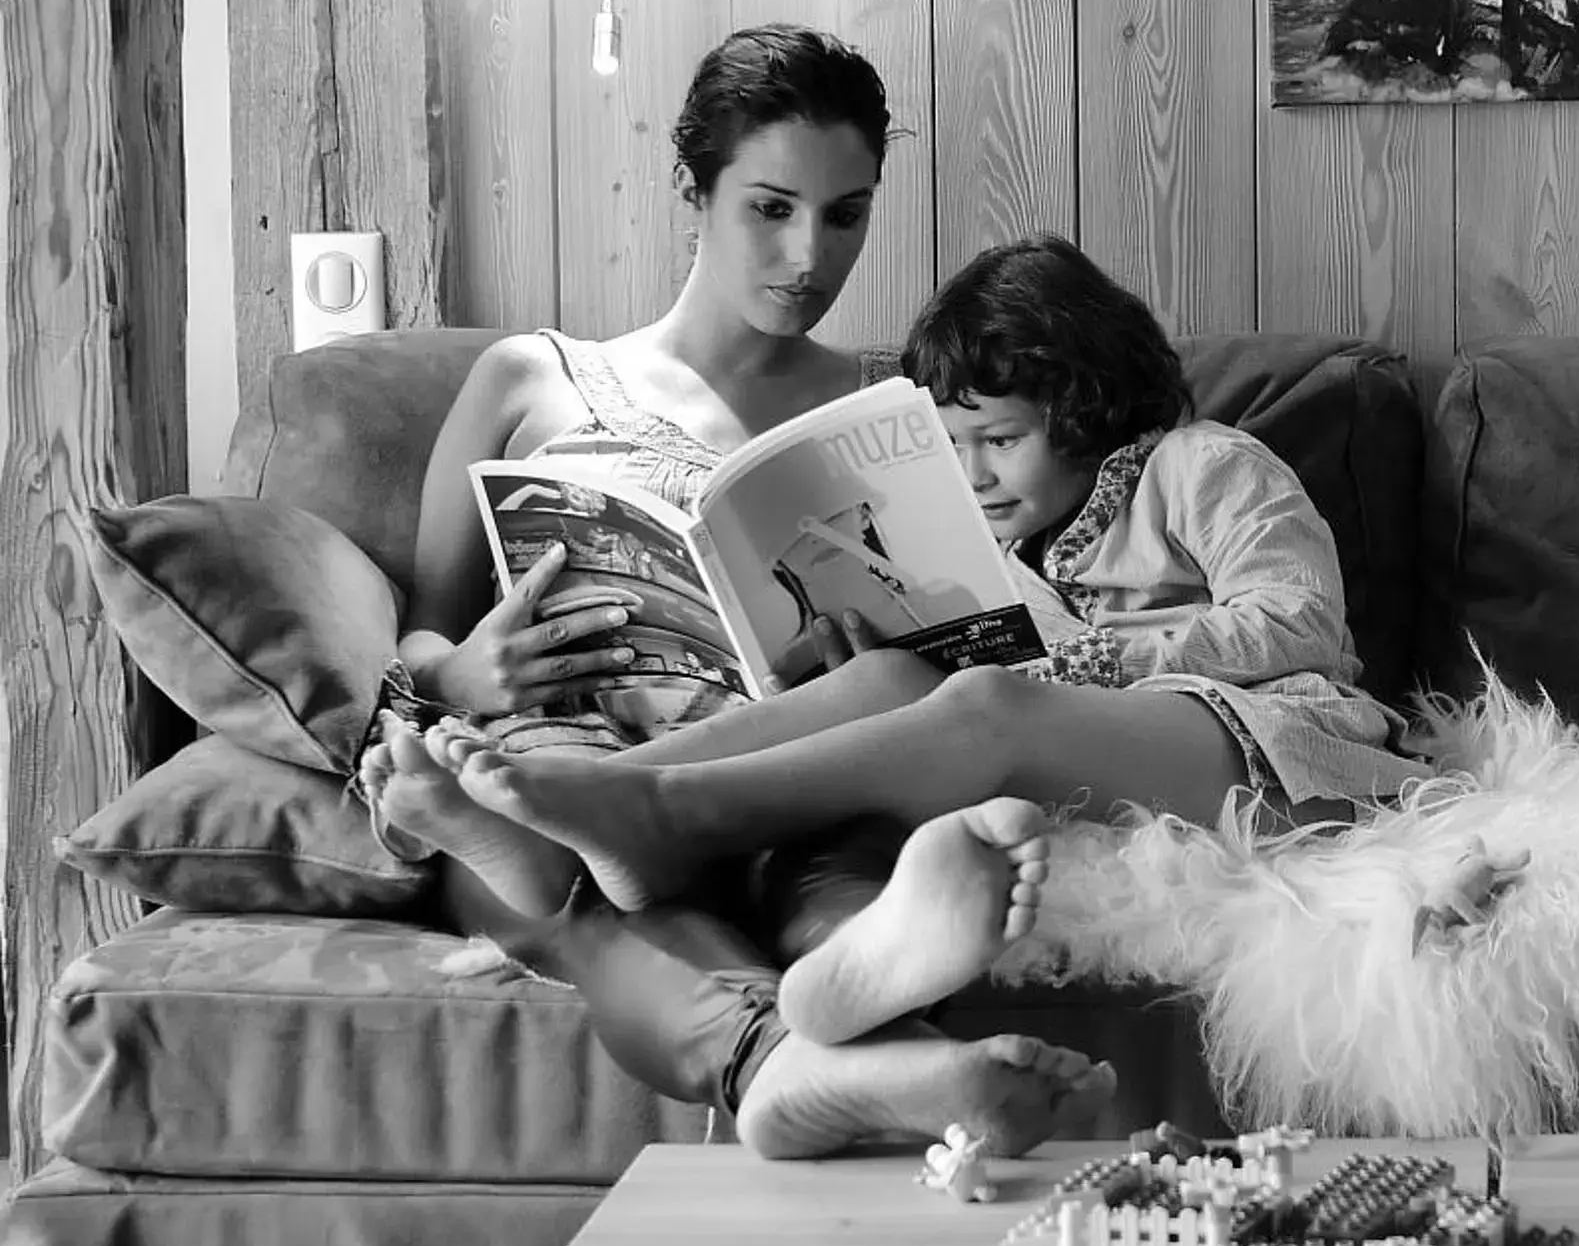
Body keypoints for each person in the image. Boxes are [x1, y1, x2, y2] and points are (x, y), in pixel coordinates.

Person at [384, 233, 1430, 1058]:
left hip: (1278, 748)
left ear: (1086, 408)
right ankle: (557, 808)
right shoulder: (996, 544)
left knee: (988, 709)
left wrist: (1094, 661)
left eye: (1001, 439)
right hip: (1095, 748)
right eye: (951, 442)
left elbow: (1299, 619)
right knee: (894, 674)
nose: (973, 472)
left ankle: (657, 814)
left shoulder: (1202, 464)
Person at [364, 26, 1111, 1162]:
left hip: (785, 767)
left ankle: (861, 992)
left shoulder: (903, 405)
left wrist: (876, 648)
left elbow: (990, 637)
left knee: (841, 823)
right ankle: (801, 1052)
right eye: (772, 207)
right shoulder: (532, 377)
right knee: (587, 862)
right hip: (556, 753)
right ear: (694, 188)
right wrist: (453, 671)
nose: (810, 254)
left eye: (845, 213)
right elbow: (423, 620)